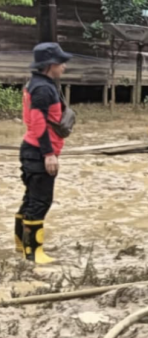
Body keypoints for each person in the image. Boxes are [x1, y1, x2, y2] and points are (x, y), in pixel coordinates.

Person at [16, 43, 72, 264]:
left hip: (32, 149)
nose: (64, 67)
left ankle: (21, 245)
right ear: (50, 65)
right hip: (38, 152)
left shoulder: (38, 83)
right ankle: (34, 252)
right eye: (61, 63)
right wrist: (49, 153)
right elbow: (38, 122)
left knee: (30, 199)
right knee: (40, 201)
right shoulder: (43, 88)